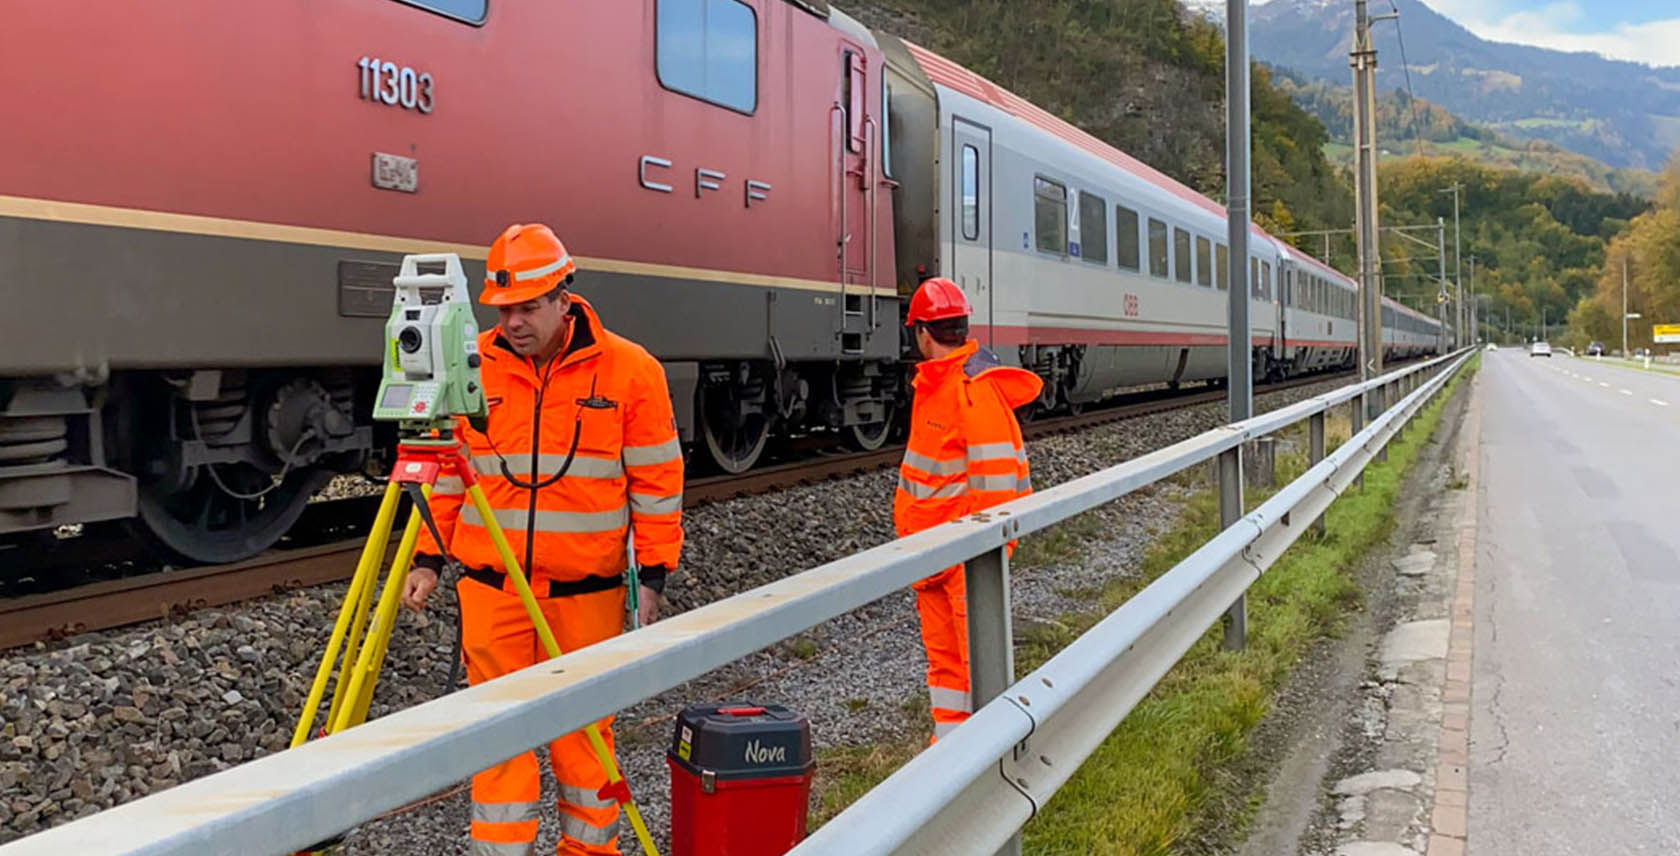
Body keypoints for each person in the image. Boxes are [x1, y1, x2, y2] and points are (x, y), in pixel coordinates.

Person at [402, 223, 684, 856]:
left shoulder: (630, 371)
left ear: (564, 297)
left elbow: (658, 483)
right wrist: (427, 557)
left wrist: (655, 577)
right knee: (498, 740)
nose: (515, 322)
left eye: (529, 307)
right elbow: (449, 472)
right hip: (491, 591)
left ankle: (588, 851)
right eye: (505, 309)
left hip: (586, 594)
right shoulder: (473, 362)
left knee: (584, 743)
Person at [893, 277, 1042, 741]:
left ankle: (988, 757)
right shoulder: (935, 386)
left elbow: (998, 492)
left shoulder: (971, 389)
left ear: (921, 332)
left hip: (962, 560)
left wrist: (982, 559)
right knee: (947, 670)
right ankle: (950, 753)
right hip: (932, 555)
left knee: (978, 667)